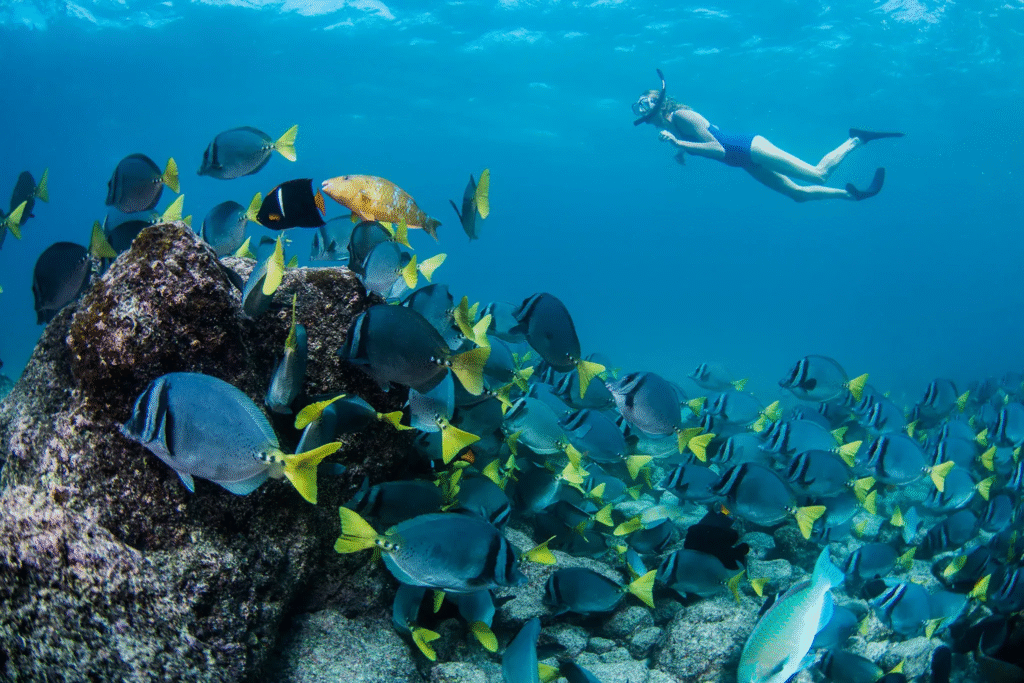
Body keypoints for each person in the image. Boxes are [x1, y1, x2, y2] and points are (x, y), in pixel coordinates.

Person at [632, 74, 903, 202]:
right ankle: (853, 196)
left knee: (818, 175)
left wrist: (679, 144)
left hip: (748, 148)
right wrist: (680, 151)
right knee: (797, 195)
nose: (642, 110)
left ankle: (857, 139)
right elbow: (700, 145)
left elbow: (717, 148)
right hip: (744, 161)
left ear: (659, 102)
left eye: (645, 103)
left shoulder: (682, 116)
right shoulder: (672, 127)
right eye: (639, 107)